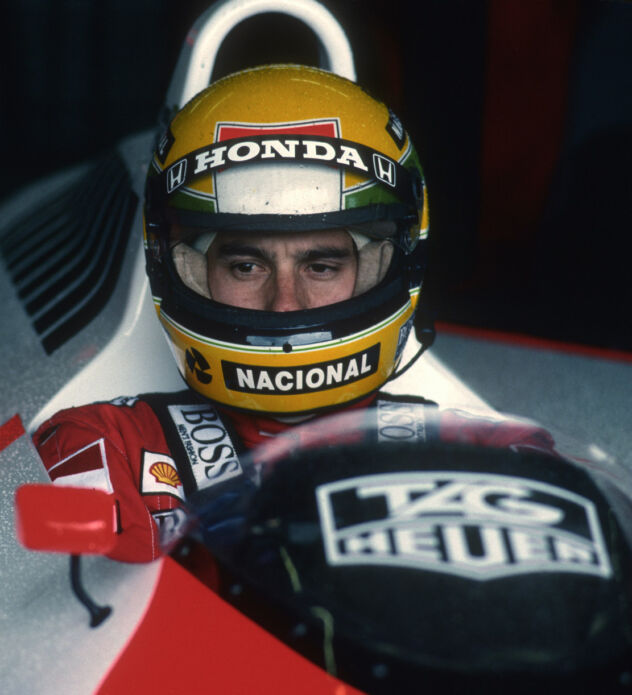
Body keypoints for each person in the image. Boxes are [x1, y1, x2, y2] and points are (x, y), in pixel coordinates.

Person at [32, 64, 546, 563]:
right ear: (183, 269)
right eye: (246, 265)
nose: (285, 303)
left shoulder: (493, 456)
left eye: (321, 266)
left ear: (385, 268)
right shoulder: (103, 444)